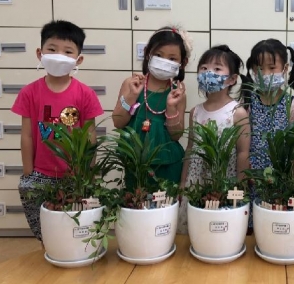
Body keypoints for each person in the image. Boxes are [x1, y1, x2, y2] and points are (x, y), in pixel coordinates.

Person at [12, 20, 103, 241]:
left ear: (78, 60)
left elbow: (90, 136)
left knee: (72, 225)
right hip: (40, 173)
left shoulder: (85, 94)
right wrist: (28, 173)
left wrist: (88, 173)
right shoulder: (29, 93)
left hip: (74, 175)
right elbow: (27, 135)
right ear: (40, 53)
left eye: (68, 51)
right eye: (52, 49)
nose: (59, 56)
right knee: (45, 226)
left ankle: (71, 249)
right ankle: (48, 246)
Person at [178, 45, 250, 233]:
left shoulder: (237, 112)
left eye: (217, 69)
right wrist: (183, 182)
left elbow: (243, 153)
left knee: (220, 227)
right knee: (196, 227)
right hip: (196, 180)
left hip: (224, 181)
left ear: (232, 79)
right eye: (204, 68)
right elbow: (190, 148)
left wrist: (239, 187)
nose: (208, 73)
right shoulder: (195, 112)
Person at [112, 26, 192, 188]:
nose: (164, 61)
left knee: (166, 203)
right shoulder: (131, 84)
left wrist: (171, 107)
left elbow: (176, 135)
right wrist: (131, 96)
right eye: (158, 55)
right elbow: (118, 122)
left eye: (172, 58)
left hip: (168, 164)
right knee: (135, 200)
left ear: (182, 63)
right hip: (135, 162)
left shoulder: (177, 93)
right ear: (148, 53)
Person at [243, 39, 294, 230]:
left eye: (272, 68)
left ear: (285, 68)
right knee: (255, 223)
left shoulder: (292, 104)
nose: (265, 74)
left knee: (278, 223)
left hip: (281, 175)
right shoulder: (248, 101)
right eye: (260, 68)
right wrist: (246, 172)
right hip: (254, 175)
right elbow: (242, 144)